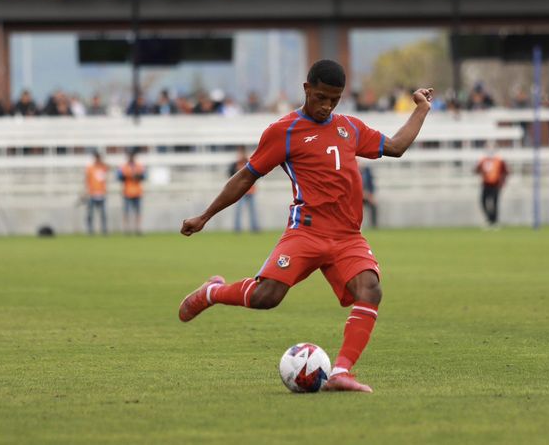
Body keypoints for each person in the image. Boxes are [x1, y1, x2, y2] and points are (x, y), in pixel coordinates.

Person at [178, 59, 433, 393]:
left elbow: (396, 147)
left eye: (334, 100)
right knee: (266, 297)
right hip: (306, 232)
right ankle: (211, 292)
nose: (327, 106)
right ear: (307, 89)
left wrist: (421, 109)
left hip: (347, 237)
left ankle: (341, 372)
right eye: (321, 97)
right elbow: (245, 177)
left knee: (370, 289)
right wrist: (204, 216)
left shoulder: (350, 128)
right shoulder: (283, 132)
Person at [474, 146, 509, 227]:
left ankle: (494, 220)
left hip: (496, 184)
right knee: (483, 201)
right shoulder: (483, 160)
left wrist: (502, 182)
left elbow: (506, 171)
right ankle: (489, 219)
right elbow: (477, 169)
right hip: (486, 184)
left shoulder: (499, 161)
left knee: (495, 202)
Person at [229, 146, 259, 233]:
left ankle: (255, 228)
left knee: (253, 211)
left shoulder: (249, 163)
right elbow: (230, 175)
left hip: (250, 190)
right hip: (239, 192)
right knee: (238, 211)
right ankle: (237, 228)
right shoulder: (235, 164)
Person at [118, 149, 146, 235]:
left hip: (137, 192)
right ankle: (127, 229)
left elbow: (144, 176)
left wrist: (137, 176)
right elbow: (119, 177)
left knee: (137, 212)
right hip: (127, 192)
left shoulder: (139, 166)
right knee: (127, 213)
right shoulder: (124, 166)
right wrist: (129, 176)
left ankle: (137, 229)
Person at [85, 151, 110, 235]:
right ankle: (90, 230)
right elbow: (87, 180)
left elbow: (109, 168)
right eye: (96, 157)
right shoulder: (90, 168)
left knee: (103, 214)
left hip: (102, 193)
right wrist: (86, 191)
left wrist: (102, 163)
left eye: (99, 157)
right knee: (90, 214)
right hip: (92, 194)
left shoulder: (103, 167)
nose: (98, 159)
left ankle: (104, 230)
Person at [360, 163, 378, 229]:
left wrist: (371, 195)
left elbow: (371, 185)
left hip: (367, 195)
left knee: (374, 206)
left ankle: (374, 225)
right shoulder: (352, 171)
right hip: (356, 196)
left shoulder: (367, 171)